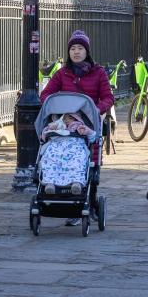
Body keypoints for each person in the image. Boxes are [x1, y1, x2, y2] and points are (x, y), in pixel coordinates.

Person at [40, 30, 114, 225]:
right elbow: (46, 95)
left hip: (88, 125)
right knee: (60, 159)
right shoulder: (62, 73)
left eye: (80, 48)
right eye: (72, 48)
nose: (76, 52)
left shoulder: (98, 73)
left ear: (87, 51)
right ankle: (66, 201)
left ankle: (90, 200)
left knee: (90, 166)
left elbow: (108, 97)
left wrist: (95, 110)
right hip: (65, 125)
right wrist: (57, 108)